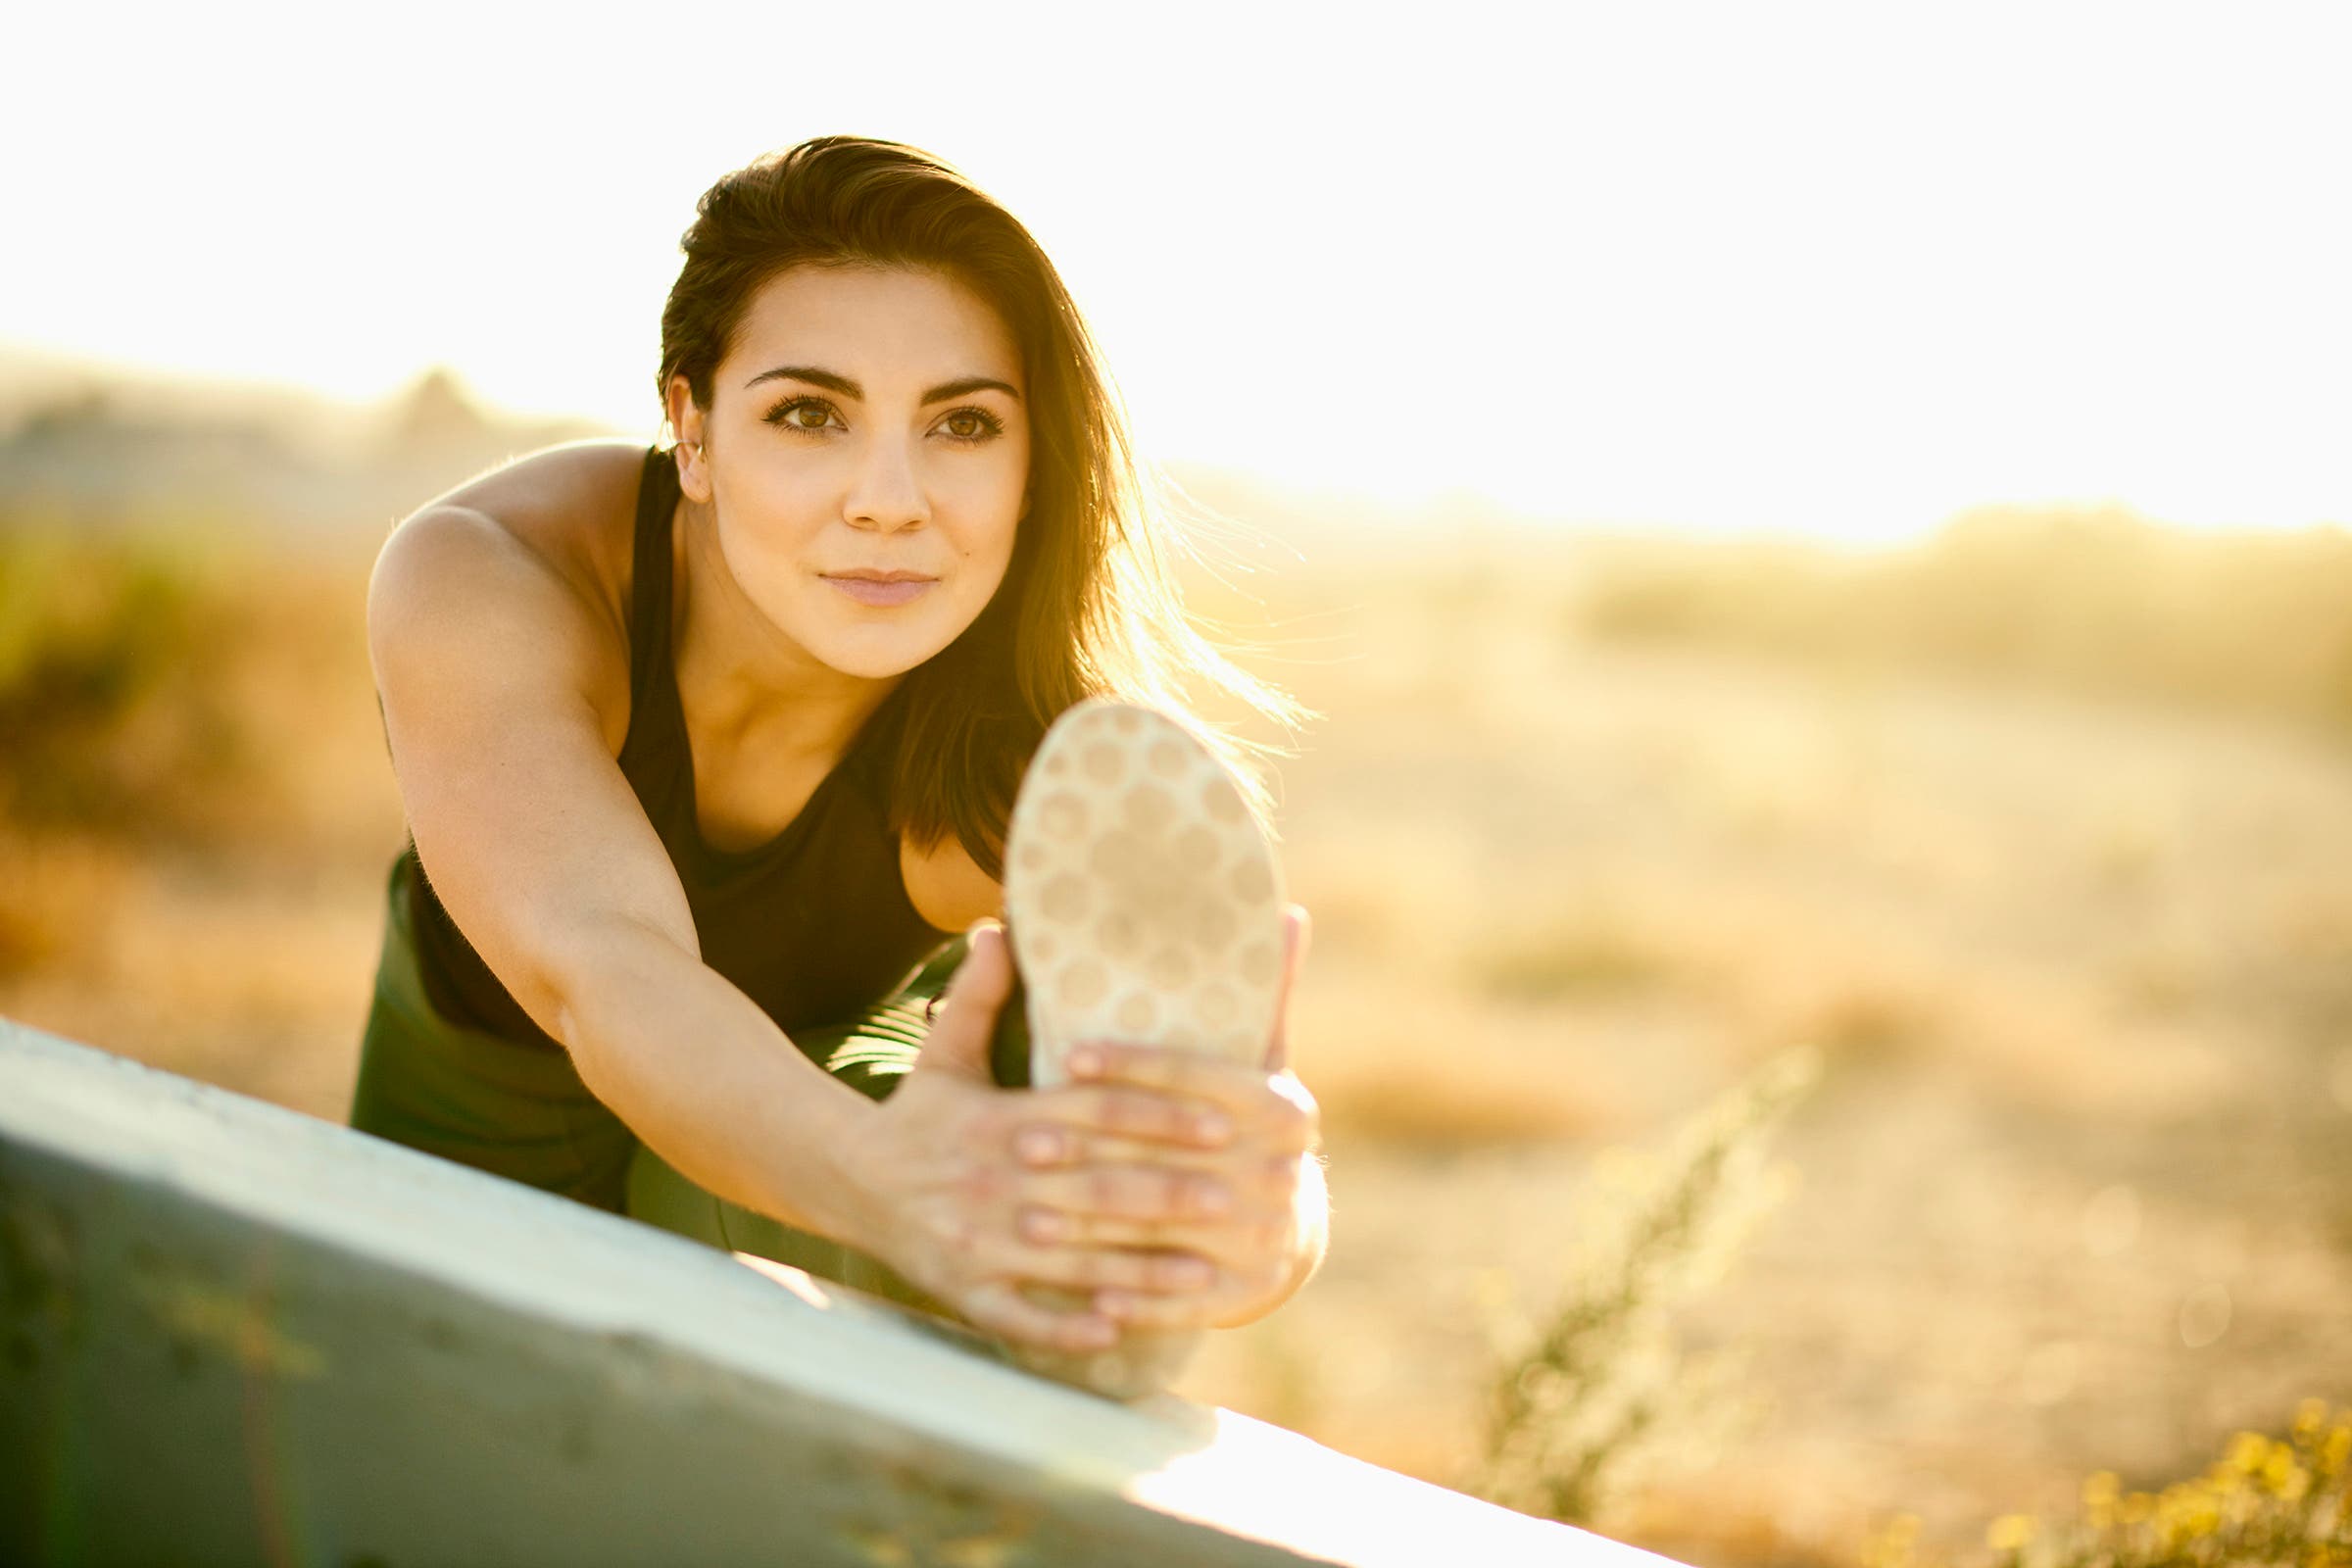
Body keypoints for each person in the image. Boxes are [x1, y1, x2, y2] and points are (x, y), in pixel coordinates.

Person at [349, 135, 1328, 1370]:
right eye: (809, 414)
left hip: (803, 1165)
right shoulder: (493, 575)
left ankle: (1056, 1248)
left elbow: (1267, 1158)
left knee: (932, 1134)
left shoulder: (1055, 776)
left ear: (1036, 468)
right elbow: (602, 969)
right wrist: (892, 1185)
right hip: (476, 1146)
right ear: (690, 430)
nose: (890, 499)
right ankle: (945, 1207)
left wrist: (1263, 1221)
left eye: (963, 425)